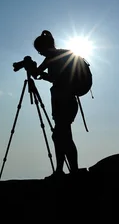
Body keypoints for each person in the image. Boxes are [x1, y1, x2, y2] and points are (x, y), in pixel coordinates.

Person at [31, 30, 82, 178]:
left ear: (44, 48)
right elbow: (52, 77)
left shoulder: (52, 57)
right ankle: (64, 170)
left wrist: (32, 68)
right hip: (65, 101)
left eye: (40, 51)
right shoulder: (63, 54)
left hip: (64, 101)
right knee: (62, 135)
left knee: (61, 135)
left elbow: (41, 74)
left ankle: (70, 171)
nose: (40, 54)